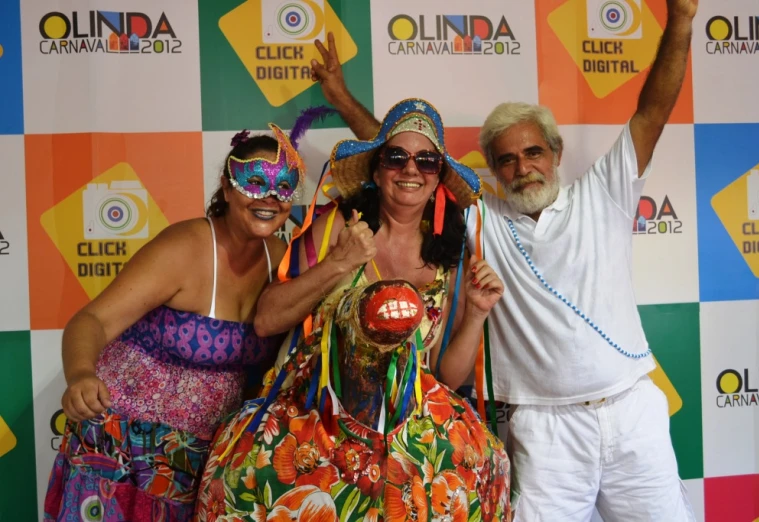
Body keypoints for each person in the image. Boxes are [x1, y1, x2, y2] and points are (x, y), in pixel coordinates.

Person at [308, 0, 699, 519]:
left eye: (533, 152)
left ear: (556, 154)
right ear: (492, 170)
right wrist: (341, 100)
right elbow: (407, 158)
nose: (523, 167)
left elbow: (652, 112)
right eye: (507, 159)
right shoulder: (478, 217)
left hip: (630, 412)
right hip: (542, 430)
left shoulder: (604, 194)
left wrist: (681, 22)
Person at [193, 98, 511, 521]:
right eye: (396, 157)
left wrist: (476, 313)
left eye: (427, 161)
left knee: (488, 465)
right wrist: (339, 262)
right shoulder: (339, 226)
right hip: (317, 418)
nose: (411, 170)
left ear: (438, 178)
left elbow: (444, 377)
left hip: (408, 431)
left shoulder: (448, 256)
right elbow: (267, 319)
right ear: (377, 172)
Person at [43, 122, 311, 521]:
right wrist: (81, 374)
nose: (269, 197)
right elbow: (92, 320)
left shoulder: (284, 258)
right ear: (227, 184)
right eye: (254, 182)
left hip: (200, 461)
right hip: (123, 448)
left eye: (284, 187)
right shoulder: (184, 247)